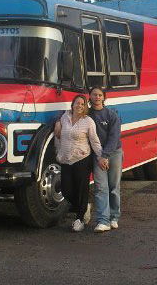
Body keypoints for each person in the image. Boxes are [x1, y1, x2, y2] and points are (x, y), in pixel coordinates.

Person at [54, 94, 103, 232]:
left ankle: (79, 219)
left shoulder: (88, 121)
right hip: (65, 159)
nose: (80, 106)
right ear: (73, 104)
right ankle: (84, 207)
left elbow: (94, 140)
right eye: (77, 103)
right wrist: (58, 151)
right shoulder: (65, 117)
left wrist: (101, 157)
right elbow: (59, 135)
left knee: (82, 189)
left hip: (82, 159)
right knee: (66, 190)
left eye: (82, 104)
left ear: (85, 106)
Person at [88, 87, 123, 233]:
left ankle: (114, 217)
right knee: (101, 187)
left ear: (104, 98)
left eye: (99, 95)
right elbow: (70, 117)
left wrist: (105, 156)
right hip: (97, 155)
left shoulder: (111, 114)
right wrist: (58, 124)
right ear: (89, 97)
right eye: (94, 94)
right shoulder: (86, 115)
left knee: (113, 186)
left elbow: (114, 137)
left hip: (113, 153)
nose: (97, 97)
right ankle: (103, 221)